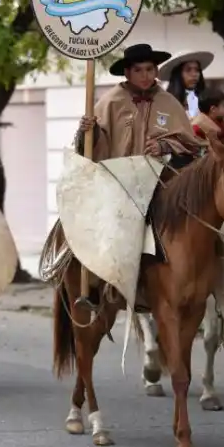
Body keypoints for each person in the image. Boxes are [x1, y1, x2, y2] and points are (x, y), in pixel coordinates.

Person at [74, 43, 201, 305]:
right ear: (127, 73)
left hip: (160, 183)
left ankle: (195, 282)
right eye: (138, 70)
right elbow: (91, 149)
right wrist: (89, 131)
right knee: (110, 226)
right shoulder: (110, 102)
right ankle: (105, 281)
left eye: (149, 69)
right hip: (120, 183)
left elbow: (191, 144)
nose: (145, 75)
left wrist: (164, 145)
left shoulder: (168, 102)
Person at [160, 50, 212, 119]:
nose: (194, 74)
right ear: (178, 75)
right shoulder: (167, 102)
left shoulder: (207, 98)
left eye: (197, 70)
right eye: (188, 70)